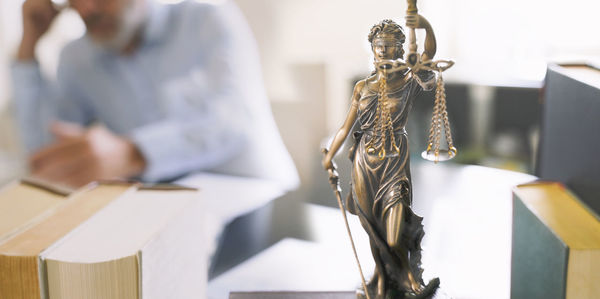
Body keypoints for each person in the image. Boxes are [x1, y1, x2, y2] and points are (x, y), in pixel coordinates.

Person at [12, 0, 299, 190]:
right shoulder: (76, 58)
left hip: (264, 204)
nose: (86, 9)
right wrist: (29, 47)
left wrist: (132, 153)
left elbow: (235, 121)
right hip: (167, 219)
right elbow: (48, 156)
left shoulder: (206, 17)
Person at [322, 17, 439, 298]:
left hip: (394, 161)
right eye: (378, 46)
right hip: (364, 163)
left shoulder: (409, 81)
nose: (382, 51)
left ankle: (409, 277)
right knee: (371, 226)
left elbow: (429, 55)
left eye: (388, 46)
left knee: (393, 230)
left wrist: (423, 24)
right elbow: (345, 127)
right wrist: (330, 157)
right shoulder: (363, 87)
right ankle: (383, 279)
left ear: (400, 49)